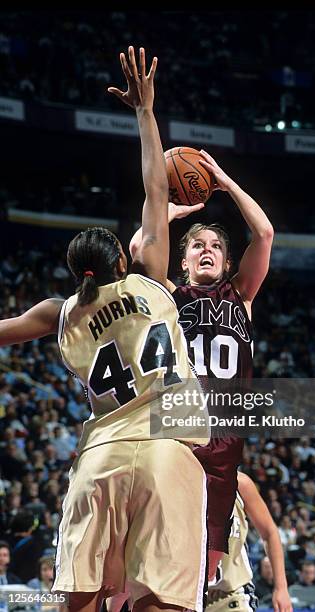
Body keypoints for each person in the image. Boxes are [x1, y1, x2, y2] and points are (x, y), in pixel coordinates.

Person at [0, 46, 209, 612]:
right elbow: (156, 187)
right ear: (124, 258)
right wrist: (145, 111)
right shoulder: (152, 281)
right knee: (159, 598)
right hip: (170, 450)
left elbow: (3, 330)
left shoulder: (60, 311)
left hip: (102, 457)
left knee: (80, 598)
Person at [130, 147, 274, 580]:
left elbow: (264, 234)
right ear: (184, 259)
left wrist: (226, 184)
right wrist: (167, 212)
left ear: (228, 263)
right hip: (176, 433)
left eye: (214, 246)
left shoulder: (242, 296)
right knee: (153, 560)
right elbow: (139, 247)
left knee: (204, 575)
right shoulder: (168, 296)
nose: (206, 250)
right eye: (197, 245)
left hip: (226, 443)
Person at [207, 472, 292, 612]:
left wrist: (281, 588)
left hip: (230, 595)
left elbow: (270, 532)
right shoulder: (174, 484)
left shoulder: (239, 483)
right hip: (185, 599)